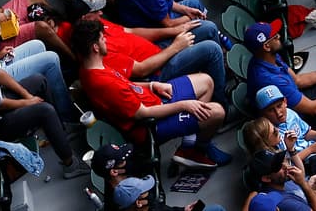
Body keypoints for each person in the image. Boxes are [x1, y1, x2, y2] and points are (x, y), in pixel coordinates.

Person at [71, 16, 229, 168]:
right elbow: (143, 113)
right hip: (151, 124)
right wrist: (184, 105)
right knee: (217, 112)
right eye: (102, 38)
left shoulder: (92, 67)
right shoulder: (101, 82)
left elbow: (126, 84)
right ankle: (198, 149)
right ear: (95, 47)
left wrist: (153, 86)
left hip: (154, 98)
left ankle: (189, 145)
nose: (105, 39)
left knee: (206, 81)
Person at [92, 143, 230, 211]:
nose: (128, 161)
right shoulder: (121, 208)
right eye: (123, 160)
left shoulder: (130, 182)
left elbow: (157, 207)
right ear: (114, 171)